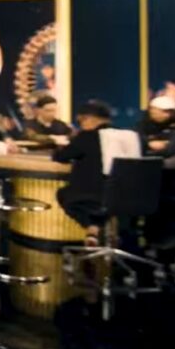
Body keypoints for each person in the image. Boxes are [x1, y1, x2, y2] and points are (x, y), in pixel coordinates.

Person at [52, 100, 141, 245]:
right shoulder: (130, 136)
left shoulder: (87, 136)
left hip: (95, 198)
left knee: (64, 194)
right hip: (131, 197)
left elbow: (61, 157)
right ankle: (103, 230)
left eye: (81, 121)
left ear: (89, 118)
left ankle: (93, 228)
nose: (81, 125)